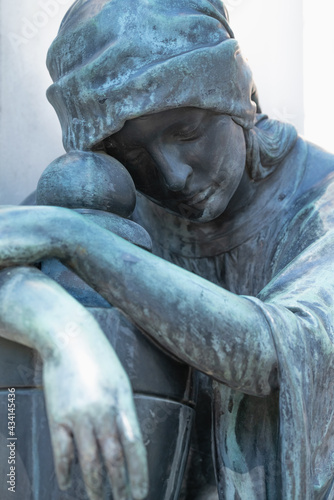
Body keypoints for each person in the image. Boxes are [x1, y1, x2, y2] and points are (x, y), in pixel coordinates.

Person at [1, 0, 334, 498]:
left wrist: (78, 241)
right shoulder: (109, 199)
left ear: (241, 95)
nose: (173, 175)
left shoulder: (320, 201)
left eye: (187, 131)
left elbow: (274, 350)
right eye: (132, 154)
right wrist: (61, 335)